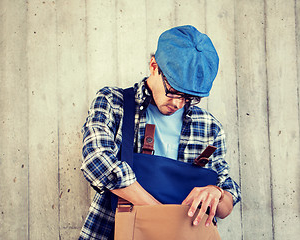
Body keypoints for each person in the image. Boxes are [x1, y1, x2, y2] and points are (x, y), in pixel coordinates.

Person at [79, 25, 241, 240]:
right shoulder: (114, 102)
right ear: (154, 66)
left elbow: (227, 199)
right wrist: (162, 219)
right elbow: (96, 161)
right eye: (173, 92)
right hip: (115, 231)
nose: (178, 103)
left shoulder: (209, 127)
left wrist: (218, 193)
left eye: (189, 98)